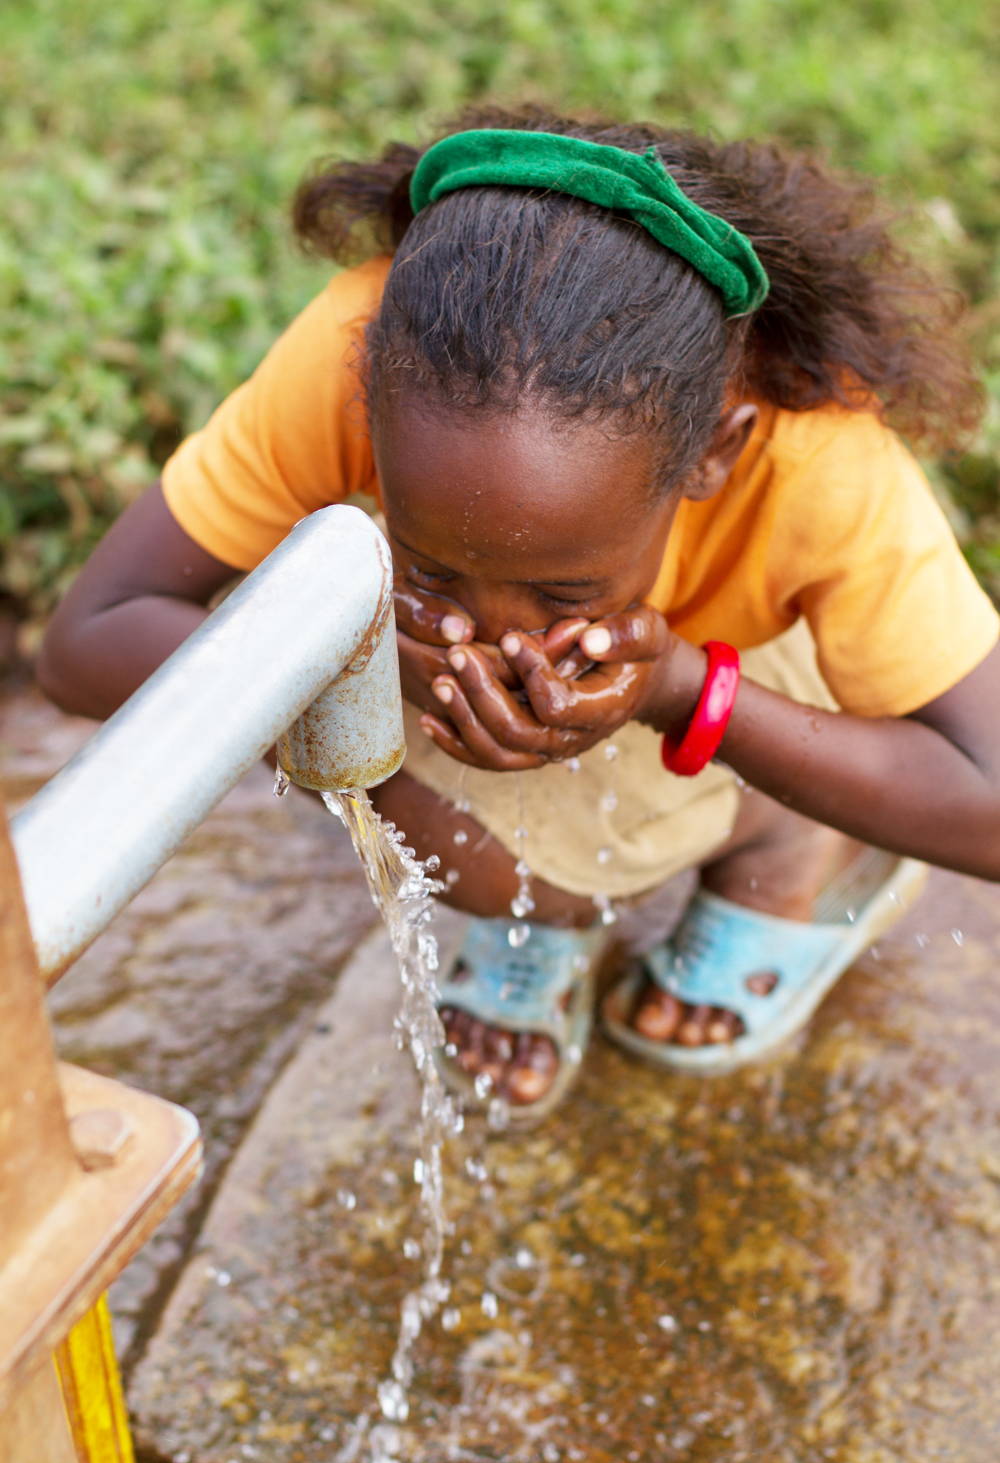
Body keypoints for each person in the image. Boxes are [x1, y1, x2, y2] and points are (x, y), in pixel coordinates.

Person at [38, 107, 1000, 1127]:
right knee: (512, 872)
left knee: (727, 775)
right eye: (436, 569)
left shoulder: (817, 464)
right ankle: (545, 914)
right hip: (542, 687)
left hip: (740, 673)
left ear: (715, 453)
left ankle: (778, 848)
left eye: (563, 591)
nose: (493, 639)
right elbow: (90, 639)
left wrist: (678, 691)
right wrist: (379, 735)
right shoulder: (361, 355)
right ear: (366, 403)